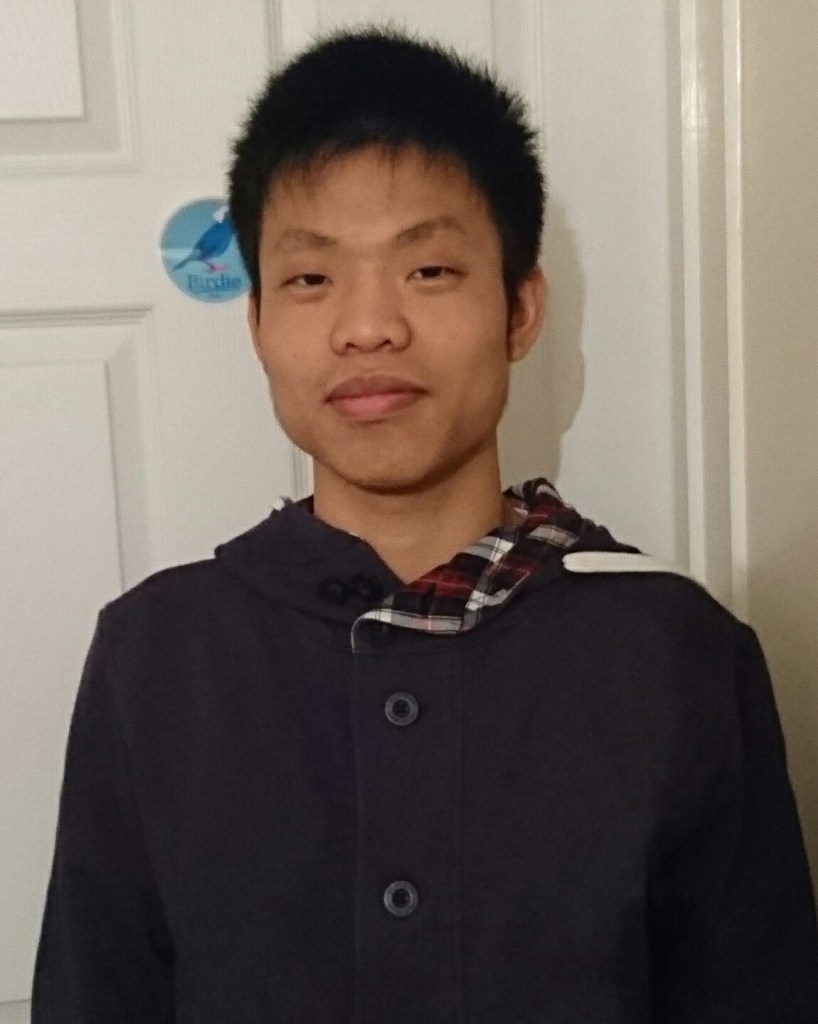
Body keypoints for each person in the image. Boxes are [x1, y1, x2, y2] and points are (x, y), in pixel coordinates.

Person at [32, 26, 818, 1024]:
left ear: (519, 310)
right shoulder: (156, 653)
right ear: (258, 323)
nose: (368, 326)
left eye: (429, 271)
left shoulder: (676, 651)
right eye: (311, 278)